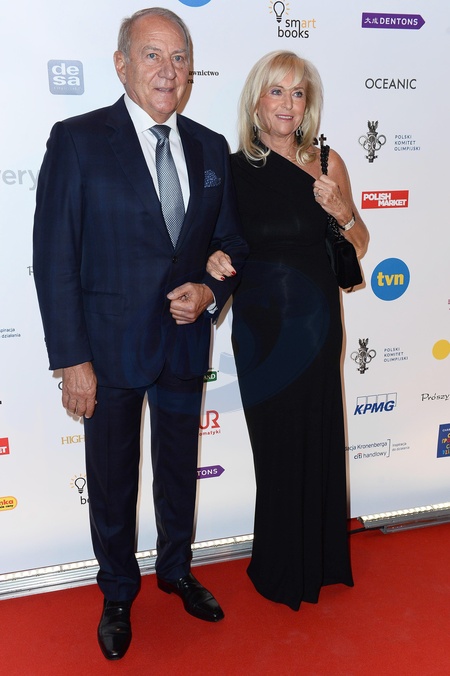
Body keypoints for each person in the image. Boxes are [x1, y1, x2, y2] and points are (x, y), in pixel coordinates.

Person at [33, 7, 247, 661]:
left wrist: (210, 292)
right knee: (112, 478)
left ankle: (176, 570)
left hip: (183, 344)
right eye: (152, 55)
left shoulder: (210, 147)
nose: (167, 70)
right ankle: (118, 593)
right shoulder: (77, 140)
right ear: (122, 64)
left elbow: (232, 242)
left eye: (179, 58)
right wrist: (72, 359)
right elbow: (54, 258)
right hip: (107, 351)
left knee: (178, 469)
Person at [207, 50, 369, 611]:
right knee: (276, 446)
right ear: (256, 101)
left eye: (298, 93)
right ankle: (280, 563)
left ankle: (320, 560)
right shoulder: (231, 170)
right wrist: (211, 259)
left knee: (317, 436)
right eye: (276, 91)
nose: (287, 103)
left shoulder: (326, 161)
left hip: (317, 326)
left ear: (308, 105)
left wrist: (342, 210)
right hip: (262, 332)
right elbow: (214, 240)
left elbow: (359, 243)